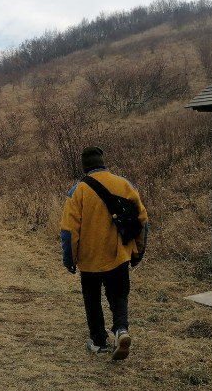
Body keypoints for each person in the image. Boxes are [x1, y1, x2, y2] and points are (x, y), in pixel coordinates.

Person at [60, 146, 148, 360]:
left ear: (84, 166)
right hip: (118, 255)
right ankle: (121, 330)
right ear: (103, 162)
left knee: (92, 300)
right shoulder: (125, 184)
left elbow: (69, 231)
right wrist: (137, 251)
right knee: (118, 295)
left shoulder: (78, 191)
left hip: (89, 259)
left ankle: (99, 342)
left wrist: (69, 259)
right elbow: (142, 221)